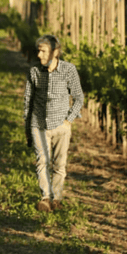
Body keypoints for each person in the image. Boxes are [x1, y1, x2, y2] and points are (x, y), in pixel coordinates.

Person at [24, 34, 84, 212]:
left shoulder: (68, 70)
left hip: (61, 125)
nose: (39, 55)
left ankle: (56, 198)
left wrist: (68, 120)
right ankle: (45, 198)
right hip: (39, 124)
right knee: (42, 162)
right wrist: (28, 127)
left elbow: (79, 97)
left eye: (43, 51)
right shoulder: (34, 71)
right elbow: (28, 100)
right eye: (38, 51)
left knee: (59, 165)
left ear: (55, 52)